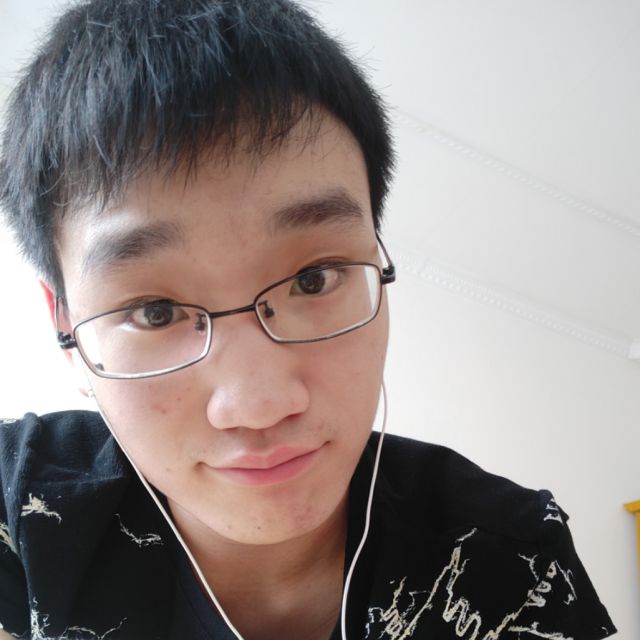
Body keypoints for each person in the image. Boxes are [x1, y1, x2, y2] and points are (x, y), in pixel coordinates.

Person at [0, 1, 616, 639]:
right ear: (66, 334)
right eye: (155, 313)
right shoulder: (22, 517)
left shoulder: (514, 565)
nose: (259, 405)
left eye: (313, 279)